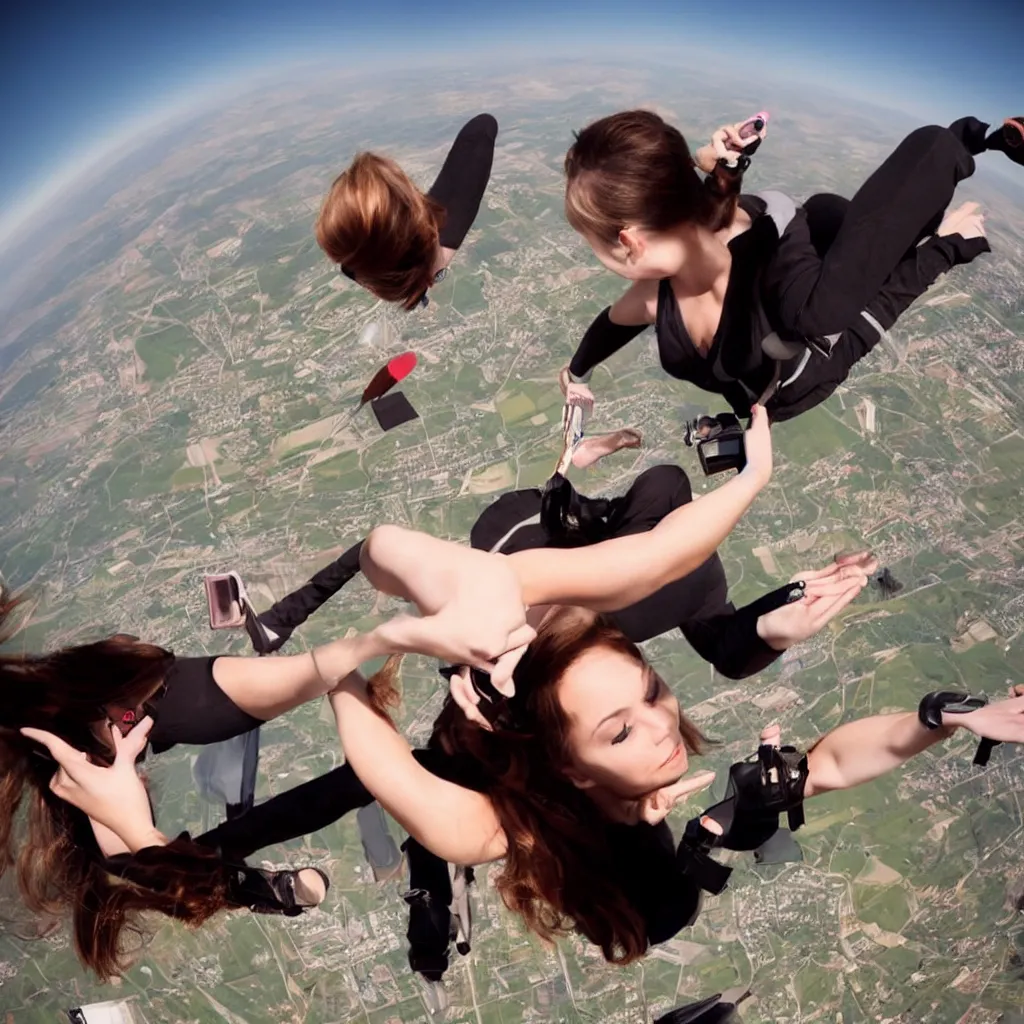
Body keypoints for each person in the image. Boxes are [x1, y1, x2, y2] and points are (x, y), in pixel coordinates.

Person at [4, 408, 774, 977]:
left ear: (568, 765)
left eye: (618, 730)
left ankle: (224, 869)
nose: (662, 725)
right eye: (647, 693)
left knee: (401, 791)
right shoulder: (629, 772)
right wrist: (751, 478)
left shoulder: (477, 825)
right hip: (563, 800)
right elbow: (643, 564)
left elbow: (350, 710)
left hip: (469, 788)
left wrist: (399, 637)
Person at [559, 112, 1023, 423]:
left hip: (805, 364)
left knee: (834, 301)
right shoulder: (655, 292)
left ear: (630, 243)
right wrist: (575, 374)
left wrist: (944, 252)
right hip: (759, 256)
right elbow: (609, 326)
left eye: (592, 244)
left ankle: (967, 145)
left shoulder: (796, 291)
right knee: (825, 287)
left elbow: (870, 316)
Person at [315, 113, 498, 309]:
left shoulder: (359, 255)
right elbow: (483, 127)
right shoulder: (434, 237)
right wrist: (438, 259)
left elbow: (482, 127)